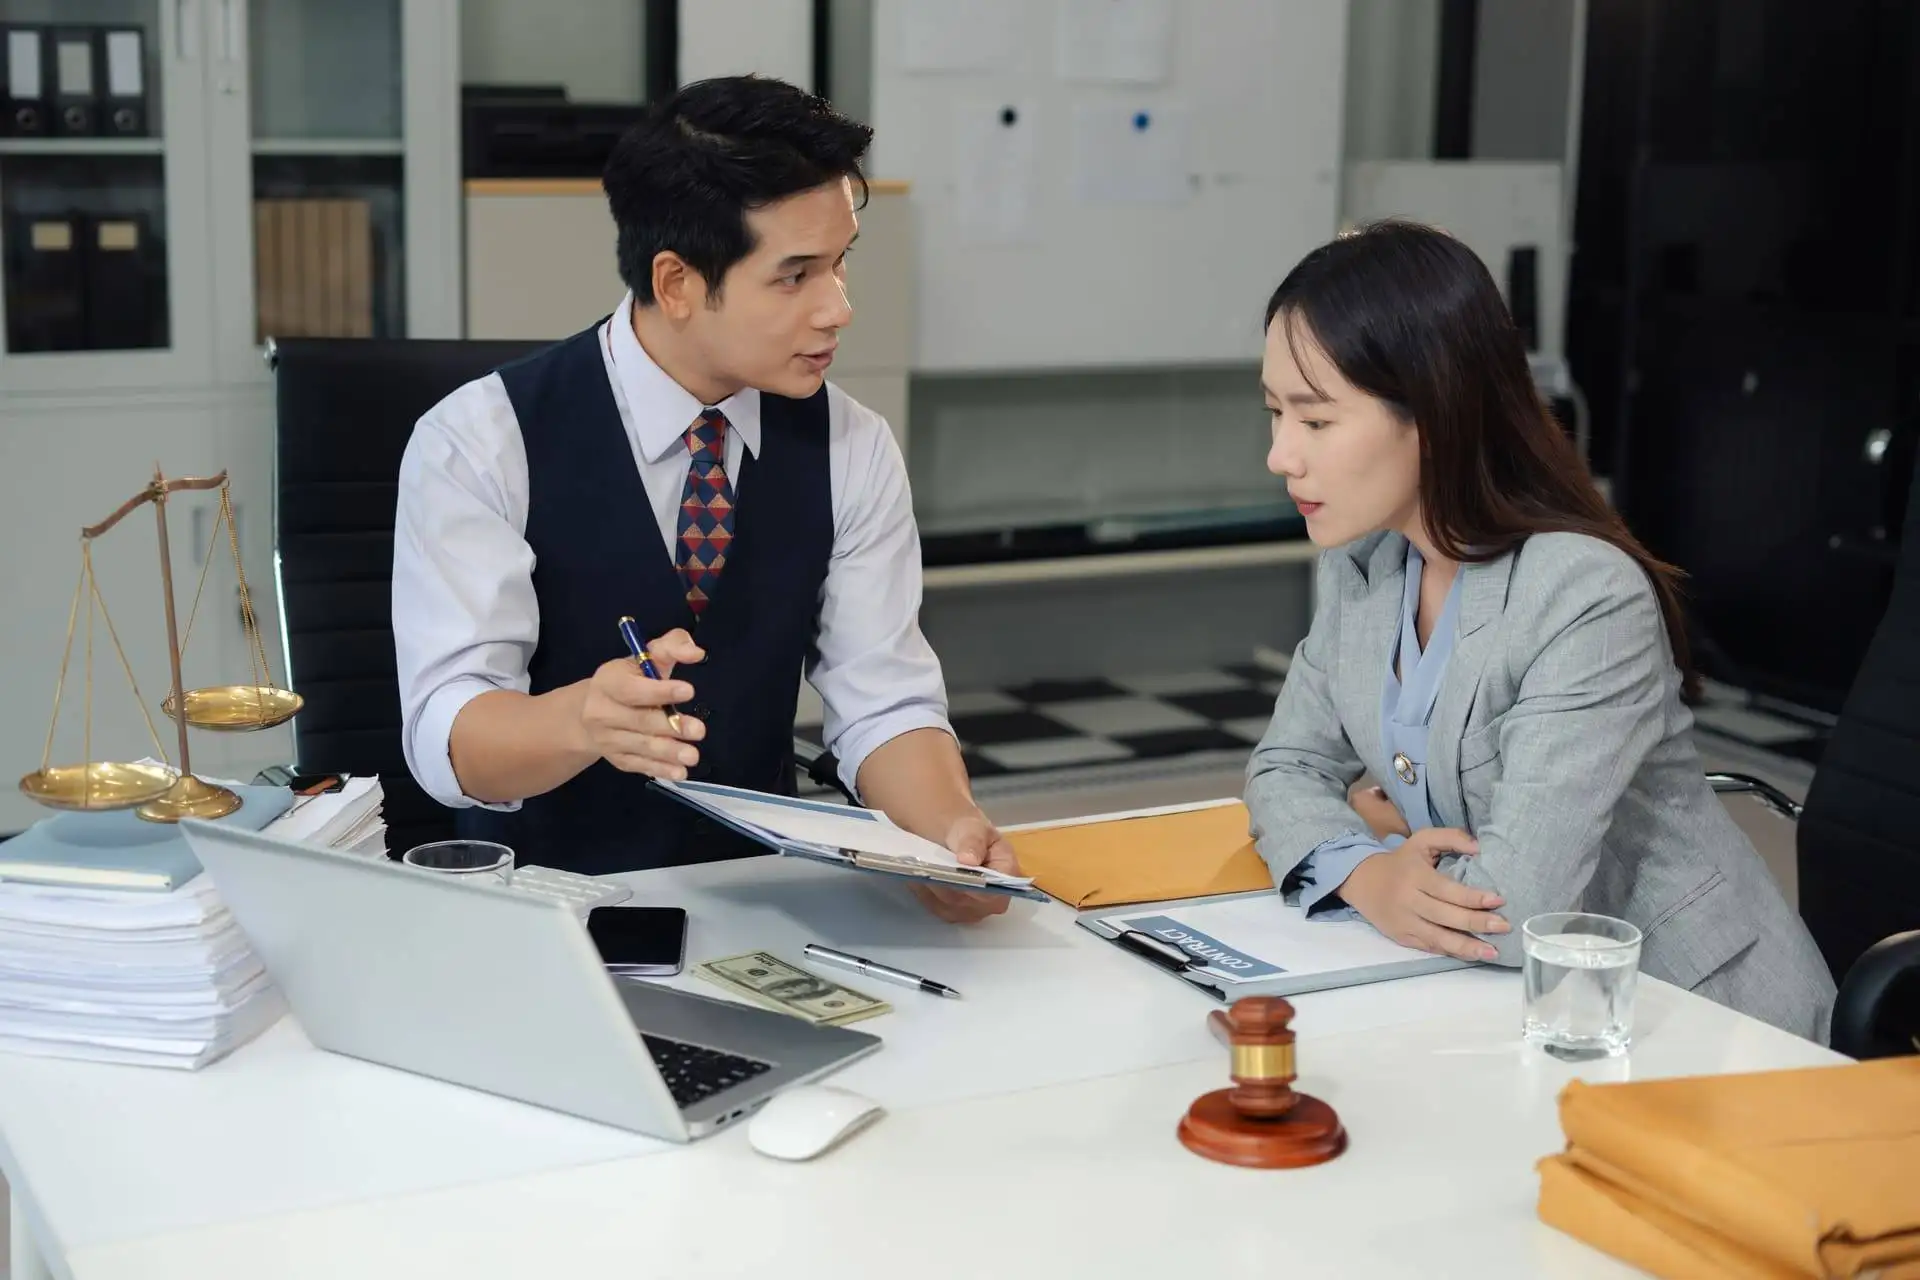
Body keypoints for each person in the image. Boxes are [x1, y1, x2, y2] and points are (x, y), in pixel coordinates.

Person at [392, 75, 1016, 922]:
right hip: (544, 914)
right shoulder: (478, 441)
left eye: (840, 263)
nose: (838, 308)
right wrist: (583, 720)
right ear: (678, 282)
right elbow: (447, 738)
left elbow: (885, 701)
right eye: (795, 276)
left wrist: (948, 833)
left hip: (766, 905)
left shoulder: (852, 444)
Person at [1243, 220, 1835, 1041]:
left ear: (1435, 412)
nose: (1280, 456)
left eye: (1315, 422)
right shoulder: (1364, 564)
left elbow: (1512, 907)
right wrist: (1370, 873)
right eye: (1275, 413)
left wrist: (1376, 835)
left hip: (1695, 1020)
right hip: (1512, 1011)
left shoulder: (1583, 595)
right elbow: (1283, 769)